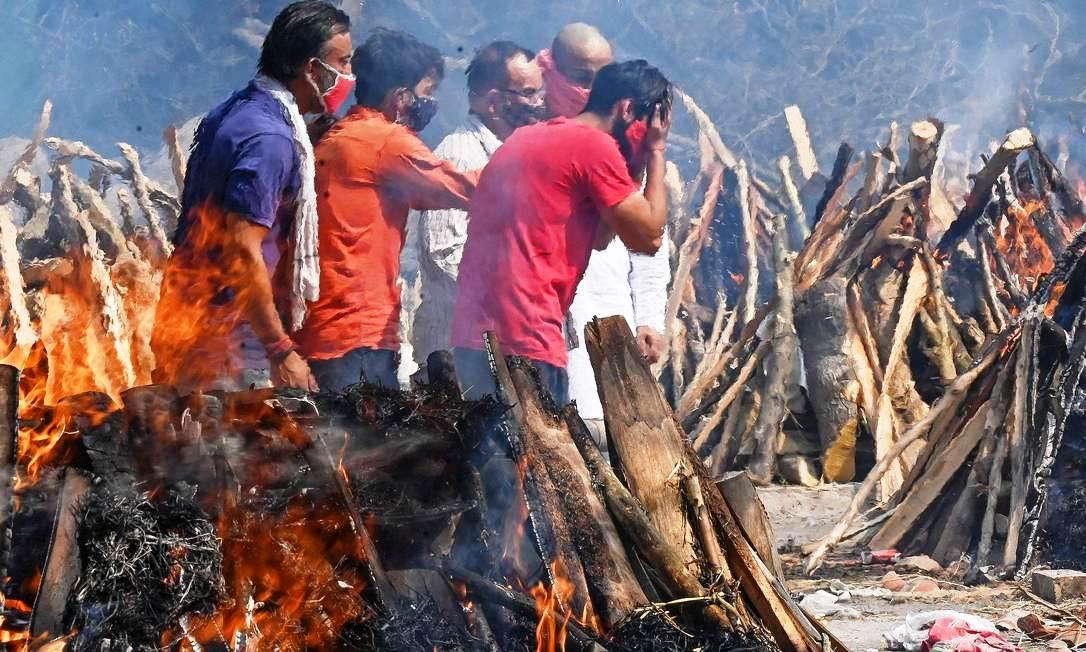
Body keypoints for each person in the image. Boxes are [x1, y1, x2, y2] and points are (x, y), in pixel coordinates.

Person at [151, 0, 353, 393]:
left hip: (188, 317)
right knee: (234, 451)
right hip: (227, 338)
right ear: (312, 68)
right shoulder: (270, 138)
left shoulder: (240, 109)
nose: (349, 75)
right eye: (343, 63)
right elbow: (244, 252)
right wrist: (280, 350)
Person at [451, 60, 672, 405]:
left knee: (488, 455)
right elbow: (648, 238)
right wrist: (656, 152)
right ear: (627, 109)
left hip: (474, 339)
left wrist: (635, 161)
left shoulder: (527, 136)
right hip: (528, 339)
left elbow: (602, 238)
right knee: (532, 458)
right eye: (652, 124)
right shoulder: (593, 147)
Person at [293, 29, 478, 392]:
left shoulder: (341, 136)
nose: (430, 103)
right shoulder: (387, 142)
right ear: (400, 97)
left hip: (320, 330)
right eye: (427, 93)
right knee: (366, 445)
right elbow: (467, 189)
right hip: (357, 334)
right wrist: (532, 164)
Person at [544, 24, 671, 453]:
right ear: (551, 70)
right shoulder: (535, 140)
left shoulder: (633, 154)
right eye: (581, 75)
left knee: (621, 439)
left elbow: (651, 247)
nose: (589, 88)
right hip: (550, 325)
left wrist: (650, 318)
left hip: (615, 323)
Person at [411, 40, 545, 365]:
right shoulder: (459, 154)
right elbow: (444, 253)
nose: (540, 102)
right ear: (495, 103)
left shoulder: (525, 152)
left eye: (541, 91)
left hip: (510, 348)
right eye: (528, 93)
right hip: (462, 356)